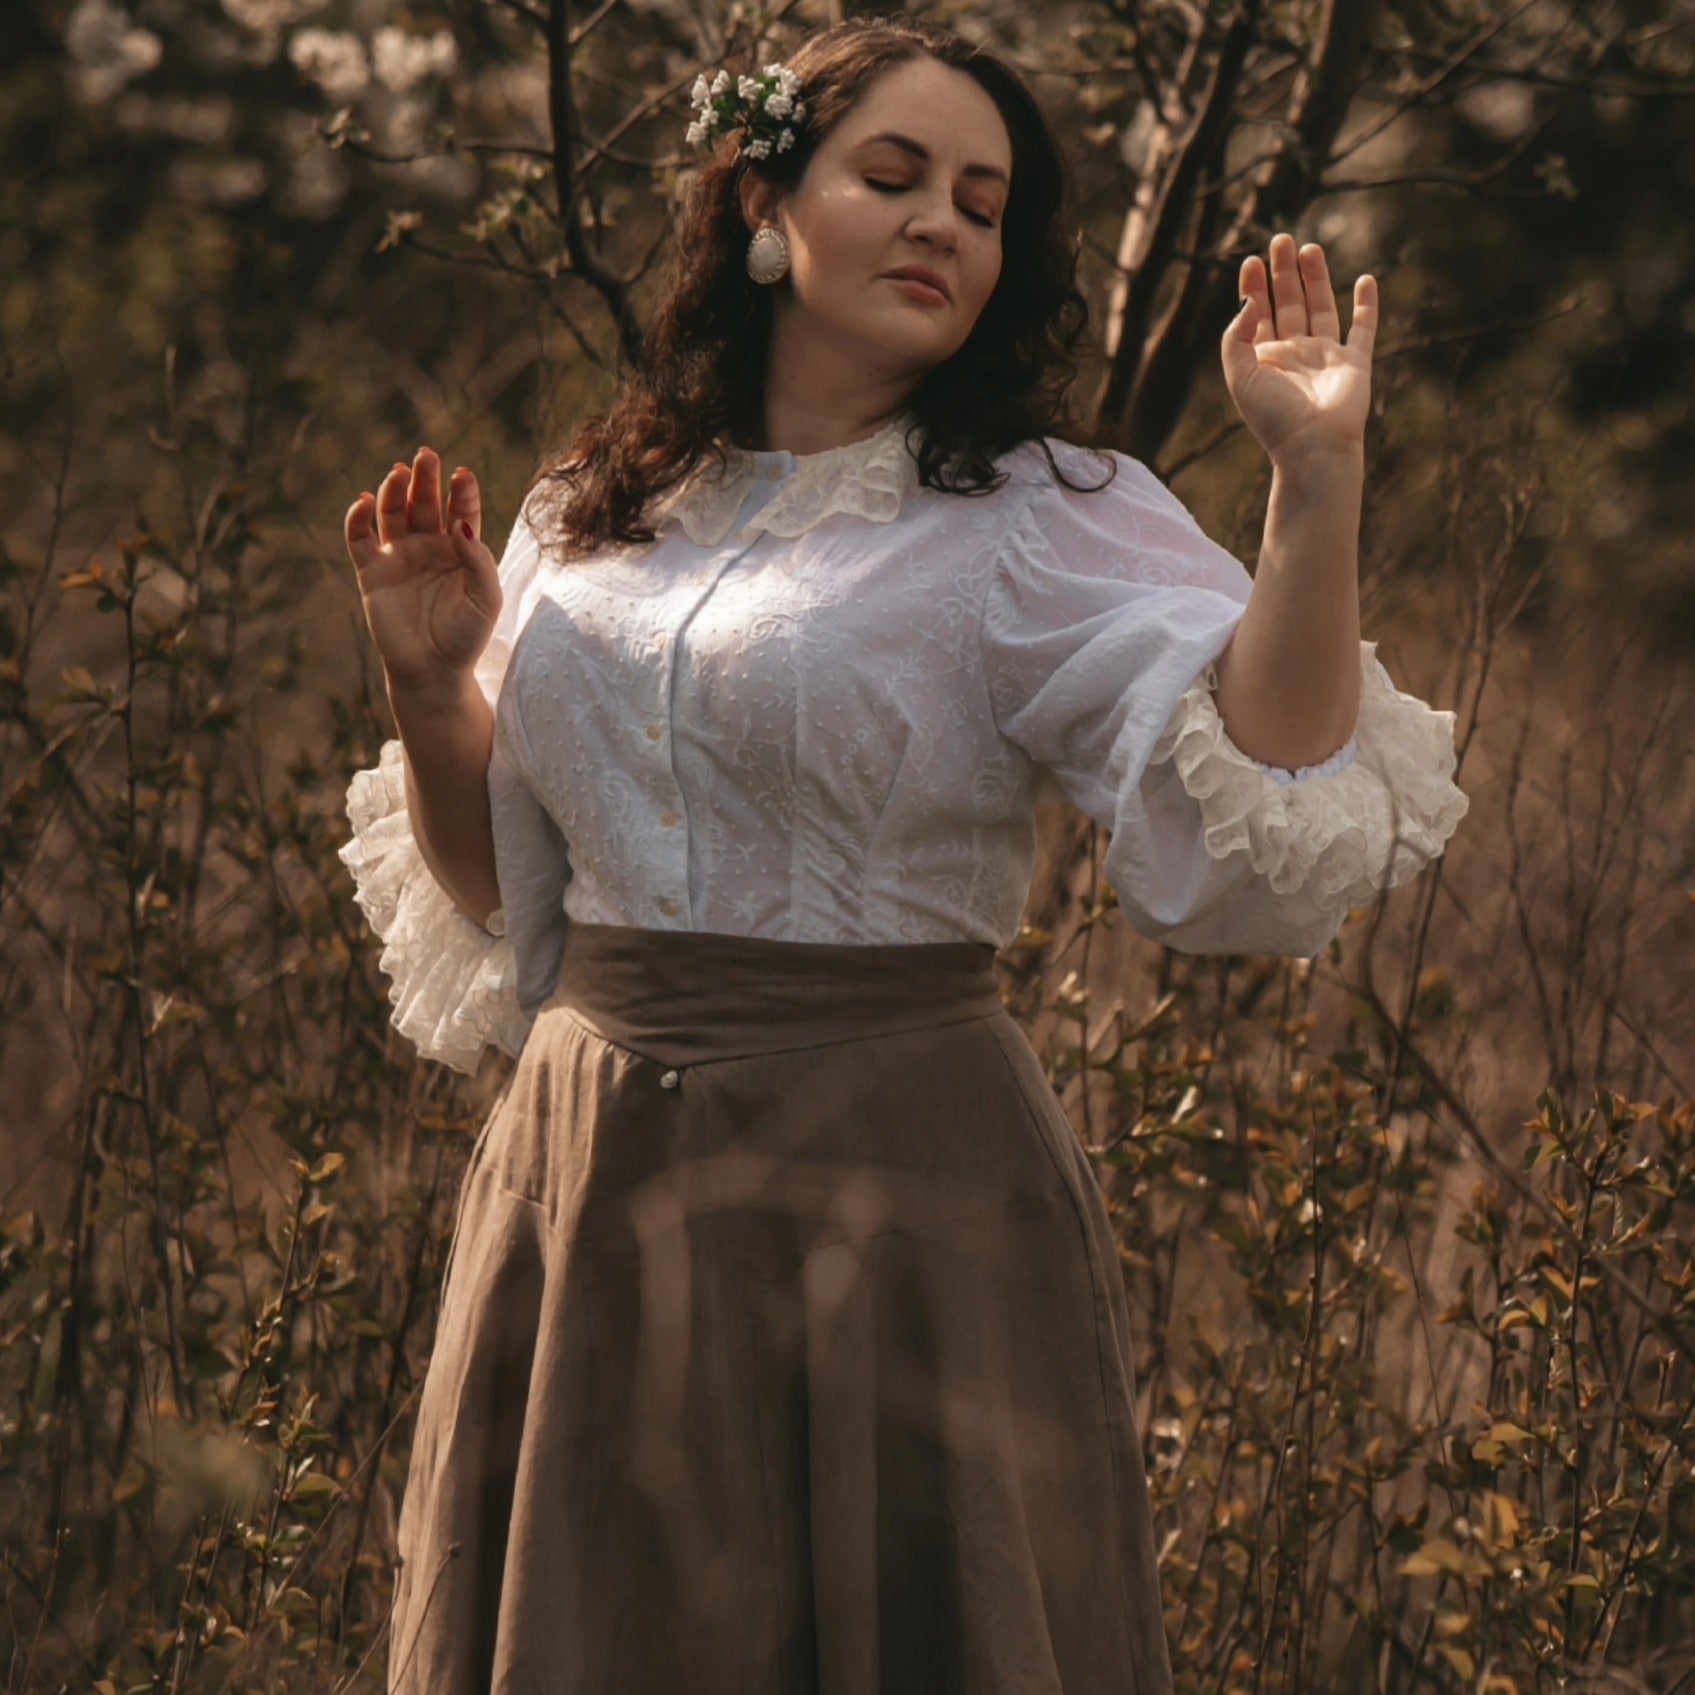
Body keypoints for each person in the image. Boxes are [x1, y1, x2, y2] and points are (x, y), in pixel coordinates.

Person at [338, 16, 1468, 1694]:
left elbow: (1277, 767)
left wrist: (1315, 480)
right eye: (895, 174)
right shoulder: (592, 503)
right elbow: (513, 901)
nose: (945, 219)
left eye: (984, 200)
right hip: (580, 1176)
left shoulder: (1036, 515)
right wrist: (431, 689)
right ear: (763, 208)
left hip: (895, 1177)